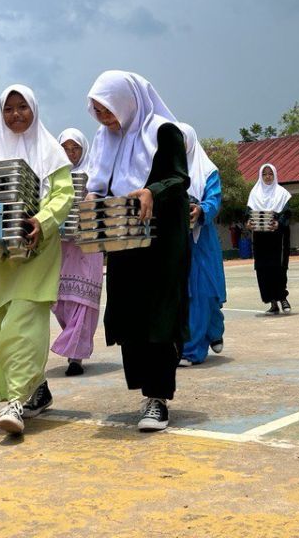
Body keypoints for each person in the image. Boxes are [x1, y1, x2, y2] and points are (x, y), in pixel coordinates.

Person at [0, 86, 74, 435]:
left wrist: (43, 220)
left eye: (22, 107)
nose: (16, 114)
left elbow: (63, 194)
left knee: (25, 322)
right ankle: (34, 390)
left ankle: (14, 401)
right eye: (8, 109)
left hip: (35, 249)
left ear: (34, 109)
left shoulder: (52, 152)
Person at [84, 70, 190, 432]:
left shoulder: (162, 130)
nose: (105, 118)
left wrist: (151, 191)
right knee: (129, 316)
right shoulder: (105, 137)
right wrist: (92, 196)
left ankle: (158, 398)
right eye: (97, 111)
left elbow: (179, 177)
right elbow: (100, 180)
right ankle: (146, 392)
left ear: (127, 102)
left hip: (161, 240)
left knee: (159, 316)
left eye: (108, 109)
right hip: (124, 238)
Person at [50, 128, 103, 376]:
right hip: (60, 247)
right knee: (62, 301)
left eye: (76, 149)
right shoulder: (52, 177)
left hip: (88, 246)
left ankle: (76, 356)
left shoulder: (95, 175)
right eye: (66, 149)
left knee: (84, 299)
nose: (71, 154)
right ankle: (72, 345)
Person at [177, 122, 226, 366]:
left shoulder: (207, 171)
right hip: (176, 242)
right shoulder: (166, 168)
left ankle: (194, 349)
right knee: (187, 295)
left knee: (203, 293)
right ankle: (200, 340)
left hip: (201, 240)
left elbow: (214, 200)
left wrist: (201, 210)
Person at [246, 163, 292, 314]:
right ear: (260, 176)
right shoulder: (254, 194)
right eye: (265, 174)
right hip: (260, 239)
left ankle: (283, 298)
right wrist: (249, 223)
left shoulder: (282, 194)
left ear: (275, 175)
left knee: (278, 268)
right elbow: (248, 214)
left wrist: (279, 223)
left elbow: (287, 215)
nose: (267, 177)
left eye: (270, 174)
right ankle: (272, 302)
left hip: (278, 238)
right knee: (263, 269)